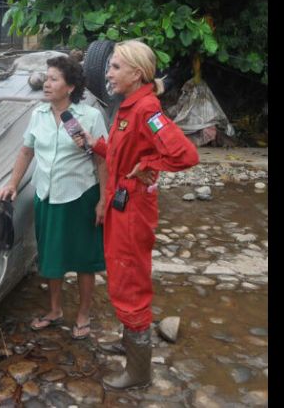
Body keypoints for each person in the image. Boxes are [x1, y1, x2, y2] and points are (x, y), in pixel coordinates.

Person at [74, 40, 199, 390]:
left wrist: (149, 164)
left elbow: (186, 155)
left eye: (115, 67)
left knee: (131, 280)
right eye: (110, 66)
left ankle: (140, 371)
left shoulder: (147, 110)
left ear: (137, 73)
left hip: (133, 210)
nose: (108, 73)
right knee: (120, 272)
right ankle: (130, 340)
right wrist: (93, 144)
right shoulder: (128, 108)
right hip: (119, 205)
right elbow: (118, 153)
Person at [0, 55, 108, 340]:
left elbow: (103, 161)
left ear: (70, 87)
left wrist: (103, 200)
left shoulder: (90, 117)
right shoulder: (38, 115)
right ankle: (55, 310)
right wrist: (12, 184)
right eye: (46, 78)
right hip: (46, 195)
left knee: (84, 259)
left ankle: (83, 313)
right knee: (51, 256)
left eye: (53, 79)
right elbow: (26, 151)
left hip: (80, 195)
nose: (46, 84)